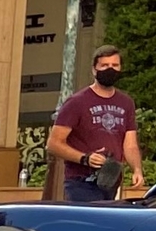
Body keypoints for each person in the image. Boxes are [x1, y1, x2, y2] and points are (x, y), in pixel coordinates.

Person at [48, 47, 144, 202]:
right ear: (94, 70)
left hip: (110, 179)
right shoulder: (77, 102)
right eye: (105, 66)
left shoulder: (126, 103)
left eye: (115, 65)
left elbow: (130, 144)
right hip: (81, 181)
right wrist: (84, 158)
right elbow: (54, 143)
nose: (110, 69)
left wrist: (137, 170)